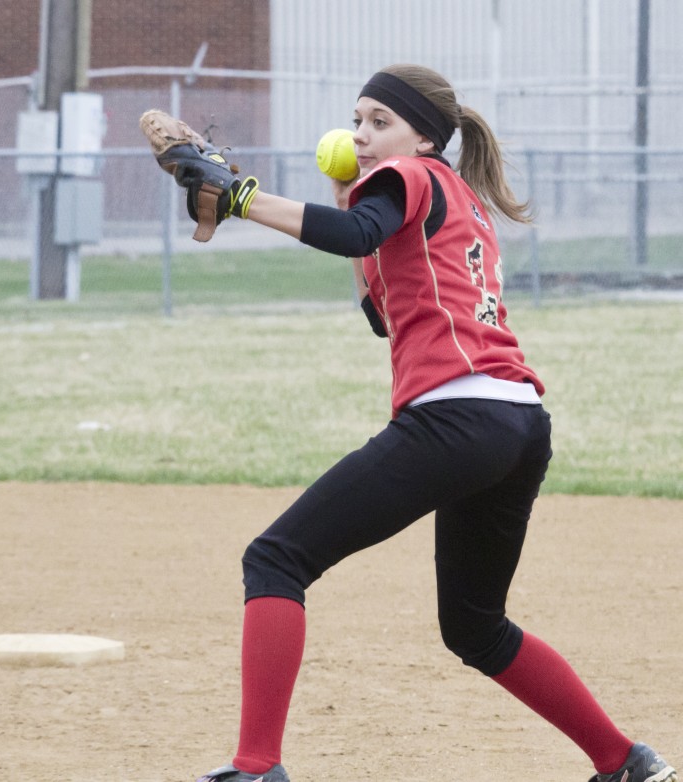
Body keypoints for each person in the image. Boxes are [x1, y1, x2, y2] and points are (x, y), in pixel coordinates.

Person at [173, 65, 677, 782]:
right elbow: (380, 309)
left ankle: (256, 768)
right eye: (358, 120)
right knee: (475, 625)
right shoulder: (455, 196)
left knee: (276, 560)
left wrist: (240, 197)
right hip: (519, 424)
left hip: (458, 416)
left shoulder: (411, 176)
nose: (361, 134)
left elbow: (352, 235)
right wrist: (344, 199)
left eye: (381, 120)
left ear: (425, 136)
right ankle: (624, 760)